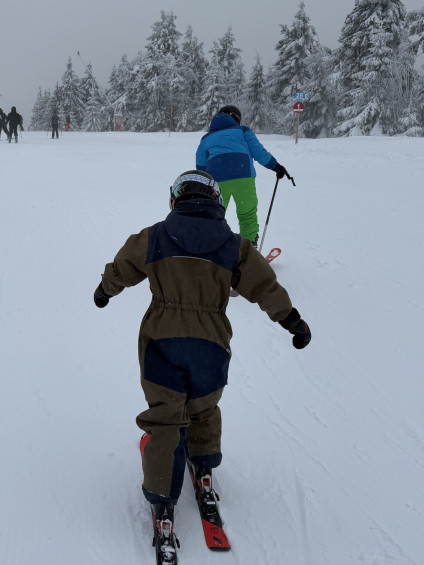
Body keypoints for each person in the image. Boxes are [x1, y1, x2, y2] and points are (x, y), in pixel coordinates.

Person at [93, 170, 311, 557]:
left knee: (165, 417)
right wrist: (290, 319)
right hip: (212, 343)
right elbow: (264, 285)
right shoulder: (234, 245)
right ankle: (204, 466)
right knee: (204, 408)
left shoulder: (155, 236)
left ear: (175, 200)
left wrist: (105, 289)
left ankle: (163, 501)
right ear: (215, 202)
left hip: (162, 341)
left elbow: (124, 266)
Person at [195, 104, 292, 247]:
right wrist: (276, 167)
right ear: (236, 120)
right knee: (247, 213)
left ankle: (211, 247)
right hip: (243, 176)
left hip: (217, 180)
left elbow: (201, 165)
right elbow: (259, 153)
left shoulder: (206, 138)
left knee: (214, 214)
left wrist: (205, 182)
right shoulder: (242, 131)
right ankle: (249, 248)